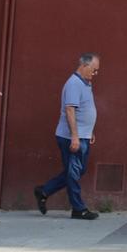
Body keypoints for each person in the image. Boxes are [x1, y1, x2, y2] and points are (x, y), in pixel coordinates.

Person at [34, 53, 100, 220]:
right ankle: (78, 209)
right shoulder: (74, 84)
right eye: (93, 70)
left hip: (82, 135)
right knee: (73, 173)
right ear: (84, 66)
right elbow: (70, 110)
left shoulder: (85, 84)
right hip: (72, 137)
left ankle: (44, 191)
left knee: (77, 171)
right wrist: (75, 137)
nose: (95, 74)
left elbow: (84, 109)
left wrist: (89, 130)